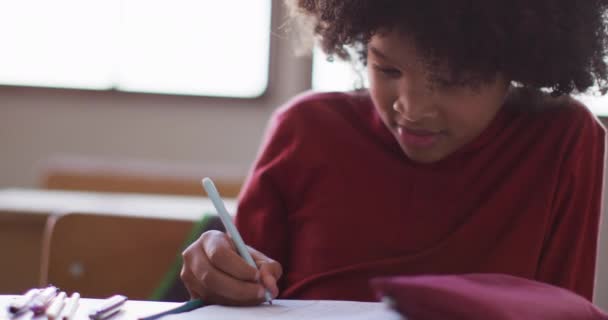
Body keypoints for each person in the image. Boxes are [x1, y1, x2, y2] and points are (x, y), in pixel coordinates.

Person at [180, 0, 608, 306]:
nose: (410, 108)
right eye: (386, 69)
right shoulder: (306, 130)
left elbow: (562, 308)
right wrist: (216, 270)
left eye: (454, 80)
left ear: (517, 65)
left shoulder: (562, 140)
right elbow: (239, 290)